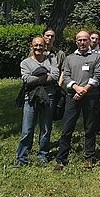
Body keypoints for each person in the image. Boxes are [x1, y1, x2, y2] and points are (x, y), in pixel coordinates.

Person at [54, 31, 100, 170]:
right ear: (76, 42)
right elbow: (67, 76)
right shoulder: (69, 58)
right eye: (79, 40)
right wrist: (76, 88)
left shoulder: (97, 57)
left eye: (85, 40)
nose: (82, 42)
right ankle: (61, 159)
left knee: (90, 128)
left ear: (89, 41)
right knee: (67, 128)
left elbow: (97, 76)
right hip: (72, 97)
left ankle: (89, 157)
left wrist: (84, 90)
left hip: (91, 97)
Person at [16, 36, 60, 166]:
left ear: (45, 46)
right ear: (31, 46)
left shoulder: (51, 59)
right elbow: (27, 80)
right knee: (27, 129)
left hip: (49, 97)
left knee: (46, 128)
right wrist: (45, 75)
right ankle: (22, 157)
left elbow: (55, 76)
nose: (38, 48)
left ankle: (43, 155)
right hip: (31, 98)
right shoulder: (25, 63)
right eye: (36, 45)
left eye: (41, 45)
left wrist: (36, 76)